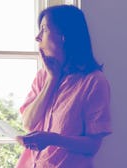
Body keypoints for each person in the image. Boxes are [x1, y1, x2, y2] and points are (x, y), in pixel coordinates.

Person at [15, 5, 112, 168]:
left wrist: (52, 139)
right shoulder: (42, 76)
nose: (37, 37)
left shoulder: (93, 81)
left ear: (64, 37)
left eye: (44, 30)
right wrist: (52, 79)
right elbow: (28, 123)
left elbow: (92, 146)